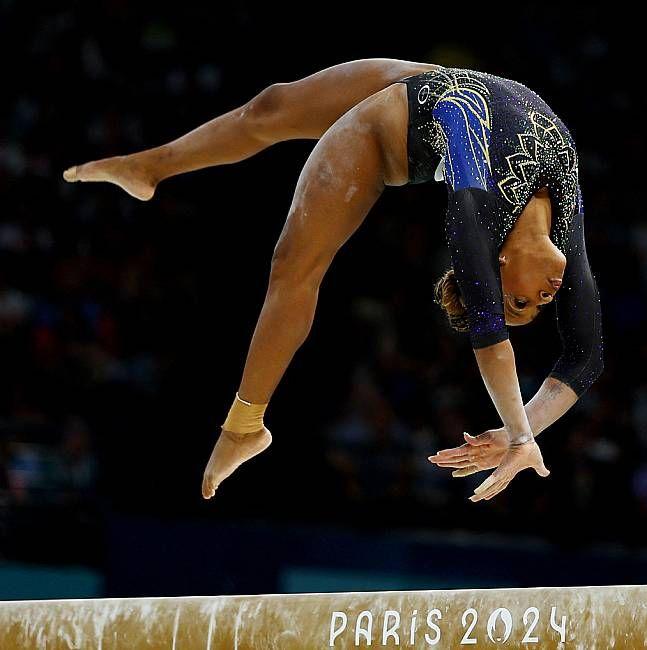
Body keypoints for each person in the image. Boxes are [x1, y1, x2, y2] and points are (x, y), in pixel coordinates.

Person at [63, 58, 604, 503]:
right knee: (270, 106)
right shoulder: (565, 219)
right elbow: (585, 354)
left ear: (491, 268)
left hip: (386, 131)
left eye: (521, 304)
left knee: (293, 267)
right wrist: (519, 432)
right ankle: (151, 167)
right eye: (528, 305)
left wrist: (521, 431)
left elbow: (506, 341)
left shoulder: (475, 224)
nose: (543, 299)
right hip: (432, 85)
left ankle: (243, 425)